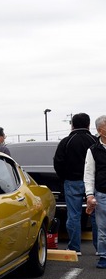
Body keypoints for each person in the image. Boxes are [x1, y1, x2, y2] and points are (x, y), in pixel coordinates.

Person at [54, 113, 98, 255]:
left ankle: (74, 247)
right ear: (88, 124)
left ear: (72, 125)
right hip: (94, 183)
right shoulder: (95, 141)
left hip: (72, 181)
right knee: (96, 215)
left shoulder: (66, 141)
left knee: (73, 215)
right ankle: (99, 248)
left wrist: (64, 177)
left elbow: (58, 162)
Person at [85, 115, 106, 268]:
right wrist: (89, 194)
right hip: (102, 193)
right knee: (102, 228)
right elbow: (89, 173)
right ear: (100, 130)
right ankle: (103, 256)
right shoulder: (93, 150)